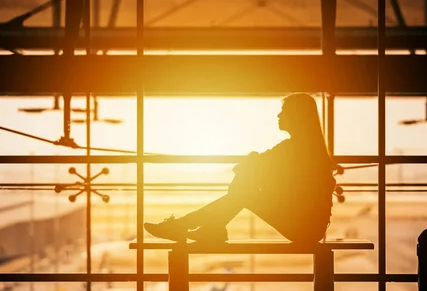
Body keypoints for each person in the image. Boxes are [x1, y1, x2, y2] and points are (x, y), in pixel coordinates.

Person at [144, 92, 337, 245]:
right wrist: (251, 166)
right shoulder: (306, 148)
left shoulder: (294, 148)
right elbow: (256, 168)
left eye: (284, 111)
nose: (279, 115)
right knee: (245, 187)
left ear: (297, 117)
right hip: (309, 227)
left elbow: (249, 167)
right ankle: (202, 227)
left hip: (304, 228)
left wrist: (251, 164)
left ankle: (195, 226)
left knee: (244, 189)